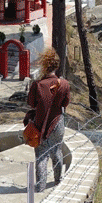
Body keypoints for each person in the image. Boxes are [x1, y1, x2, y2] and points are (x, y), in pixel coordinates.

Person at [25, 47, 70, 192]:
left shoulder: (37, 85)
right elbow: (65, 103)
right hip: (58, 122)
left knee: (41, 155)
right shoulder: (64, 84)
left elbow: (31, 104)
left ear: (44, 66)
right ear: (56, 66)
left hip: (40, 125)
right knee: (56, 151)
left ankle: (41, 186)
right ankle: (58, 181)